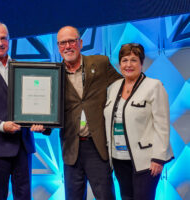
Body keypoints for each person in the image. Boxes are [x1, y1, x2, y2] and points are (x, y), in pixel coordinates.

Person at [0, 21, 49, 200]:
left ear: (9, 40)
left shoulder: (24, 68)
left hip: (23, 145)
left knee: (24, 196)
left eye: (3, 38)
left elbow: (37, 102)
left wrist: (43, 122)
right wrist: (2, 125)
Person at [56, 26, 121, 200]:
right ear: (58, 46)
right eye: (63, 43)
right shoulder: (54, 74)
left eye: (72, 41)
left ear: (80, 43)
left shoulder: (100, 63)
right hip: (71, 147)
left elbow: (122, 87)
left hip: (97, 146)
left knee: (106, 196)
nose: (68, 46)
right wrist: (41, 124)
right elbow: (48, 107)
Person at [104, 43, 174, 200]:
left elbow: (162, 125)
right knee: (126, 197)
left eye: (134, 60)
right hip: (119, 158)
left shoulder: (154, 86)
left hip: (147, 160)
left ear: (141, 63)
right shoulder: (113, 87)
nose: (129, 65)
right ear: (119, 64)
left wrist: (158, 158)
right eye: (124, 60)